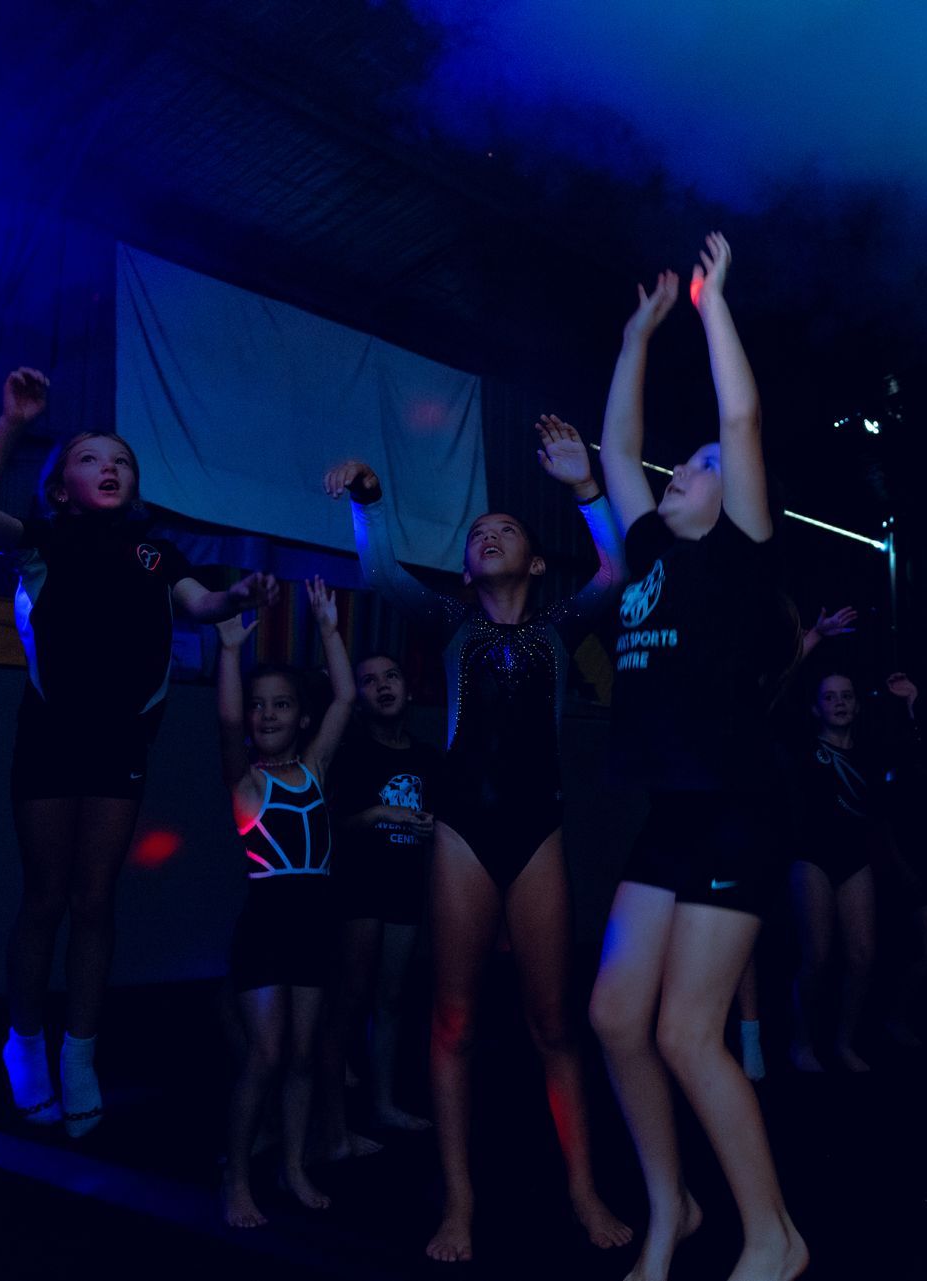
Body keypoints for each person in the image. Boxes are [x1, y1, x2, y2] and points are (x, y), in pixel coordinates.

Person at [323, 413, 630, 1262]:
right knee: (452, 1019)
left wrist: (585, 488)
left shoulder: (560, 626)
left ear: (534, 564)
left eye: (508, 530)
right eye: (477, 532)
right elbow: (380, 573)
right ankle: (458, 1199)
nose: (490, 533)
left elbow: (618, 570)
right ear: (465, 568)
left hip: (537, 832)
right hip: (462, 831)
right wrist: (368, 501)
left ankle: (583, 1188)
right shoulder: (452, 624)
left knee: (554, 1022)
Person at [0, 368, 276, 1137]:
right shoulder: (43, 540)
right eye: (91, 458)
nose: (110, 467)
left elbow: (201, 601)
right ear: (60, 485)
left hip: (122, 740)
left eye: (122, 461)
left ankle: (80, 1052)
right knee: (46, 896)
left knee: (96, 901)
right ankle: (24, 1041)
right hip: (50, 737)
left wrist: (235, 598)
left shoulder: (155, 555)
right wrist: (11, 423)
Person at [586, 235, 809, 1281]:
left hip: (737, 810)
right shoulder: (648, 553)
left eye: (701, 467)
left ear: (735, 492)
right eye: (682, 468)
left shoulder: (742, 554)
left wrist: (712, 305)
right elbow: (617, 448)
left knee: (686, 1032)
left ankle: (775, 1236)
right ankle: (669, 1204)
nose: (684, 469)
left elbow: (740, 420)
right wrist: (639, 335)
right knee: (614, 1017)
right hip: (671, 813)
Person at [216, 578, 356, 1228]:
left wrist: (328, 629)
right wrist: (228, 653)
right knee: (266, 1055)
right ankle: (237, 1177)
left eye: (281, 705)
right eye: (259, 706)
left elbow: (345, 697)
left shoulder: (315, 769)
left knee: (303, 1056)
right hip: (267, 929)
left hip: (314, 927)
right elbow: (225, 722)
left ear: (302, 716)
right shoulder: (247, 783)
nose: (267, 715)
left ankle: (294, 1166)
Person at [312, 651, 439, 1159]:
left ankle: (383, 1105)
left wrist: (430, 827)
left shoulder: (428, 758)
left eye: (391, 676)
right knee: (349, 1000)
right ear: (357, 697)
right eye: (368, 680)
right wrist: (377, 814)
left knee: (392, 1000)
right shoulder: (351, 753)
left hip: (406, 888)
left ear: (408, 688)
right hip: (358, 888)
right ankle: (331, 1124)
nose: (382, 686)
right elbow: (329, 825)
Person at [786, 670, 882, 1074]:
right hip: (811, 857)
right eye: (830, 697)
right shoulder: (803, 749)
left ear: (857, 705)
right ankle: (802, 1042)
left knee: (863, 955)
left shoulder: (870, 753)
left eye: (846, 696)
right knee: (818, 957)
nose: (839, 703)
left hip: (855, 858)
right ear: (815, 708)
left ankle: (844, 1042)